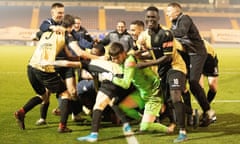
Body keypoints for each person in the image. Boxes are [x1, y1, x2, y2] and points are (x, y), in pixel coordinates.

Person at [14, 14, 91, 133]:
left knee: (43, 96)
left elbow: (36, 34)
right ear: (70, 27)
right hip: (44, 68)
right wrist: (92, 59)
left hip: (31, 66)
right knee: (65, 94)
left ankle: (21, 112)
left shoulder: (44, 33)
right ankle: (62, 126)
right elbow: (78, 51)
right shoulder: (66, 35)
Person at [131, 6, 188, 143]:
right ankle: (180, 119)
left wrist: (144, 64)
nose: (150, 20)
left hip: (175, 67)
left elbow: (167, 58)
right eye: (148, 17)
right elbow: (137, 50)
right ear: (146, 18)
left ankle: (182, 131)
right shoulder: (144, 35)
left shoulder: (166, 34)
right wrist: (134, 52)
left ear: (158, 18)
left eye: (153, 17)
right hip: (161, 72)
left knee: (175, 97)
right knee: (167, 100)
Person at [166, 2, 215, 127]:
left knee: (193, 82)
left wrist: (166, 32)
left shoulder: (185, 18)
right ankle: (191, 115)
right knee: (184, 85)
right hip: (187, 55)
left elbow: (181, 32)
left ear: (177, 11)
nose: (167, 14)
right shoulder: (174, 23)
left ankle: (208, 111)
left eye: (169, 11)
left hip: (197, 53)